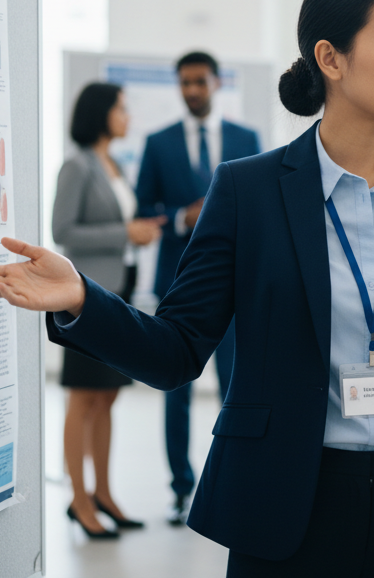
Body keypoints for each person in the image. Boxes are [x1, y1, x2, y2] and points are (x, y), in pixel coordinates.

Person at [0, 0, 374, 578]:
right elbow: (175, 351)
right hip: (284, 507)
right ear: (330, 58)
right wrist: (82, 300)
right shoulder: (248, 192)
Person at [134, 50, 262, 524]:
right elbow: (144, 211)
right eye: (184, 83)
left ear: (216, 83)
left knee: (238, 388)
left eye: (199, 82)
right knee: (176, 390)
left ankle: (238, 479)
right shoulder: (158, 142)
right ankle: (180, 489)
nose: (191, 90)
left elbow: (264, 209)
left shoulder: (247, 138)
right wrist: (181, 217)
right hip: (178, 285)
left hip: (241, 286)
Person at [52, 82, 166, 538]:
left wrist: (136, 232)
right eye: (121, 108)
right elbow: (63, 231)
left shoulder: (113, 164)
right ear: (101, 113)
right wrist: (125, 233)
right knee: (82, 399)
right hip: (83, 299)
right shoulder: (76, 166)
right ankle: (78, 500)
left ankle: (104, 493)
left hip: (115, 294)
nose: (127, 117)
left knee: (107, 398)